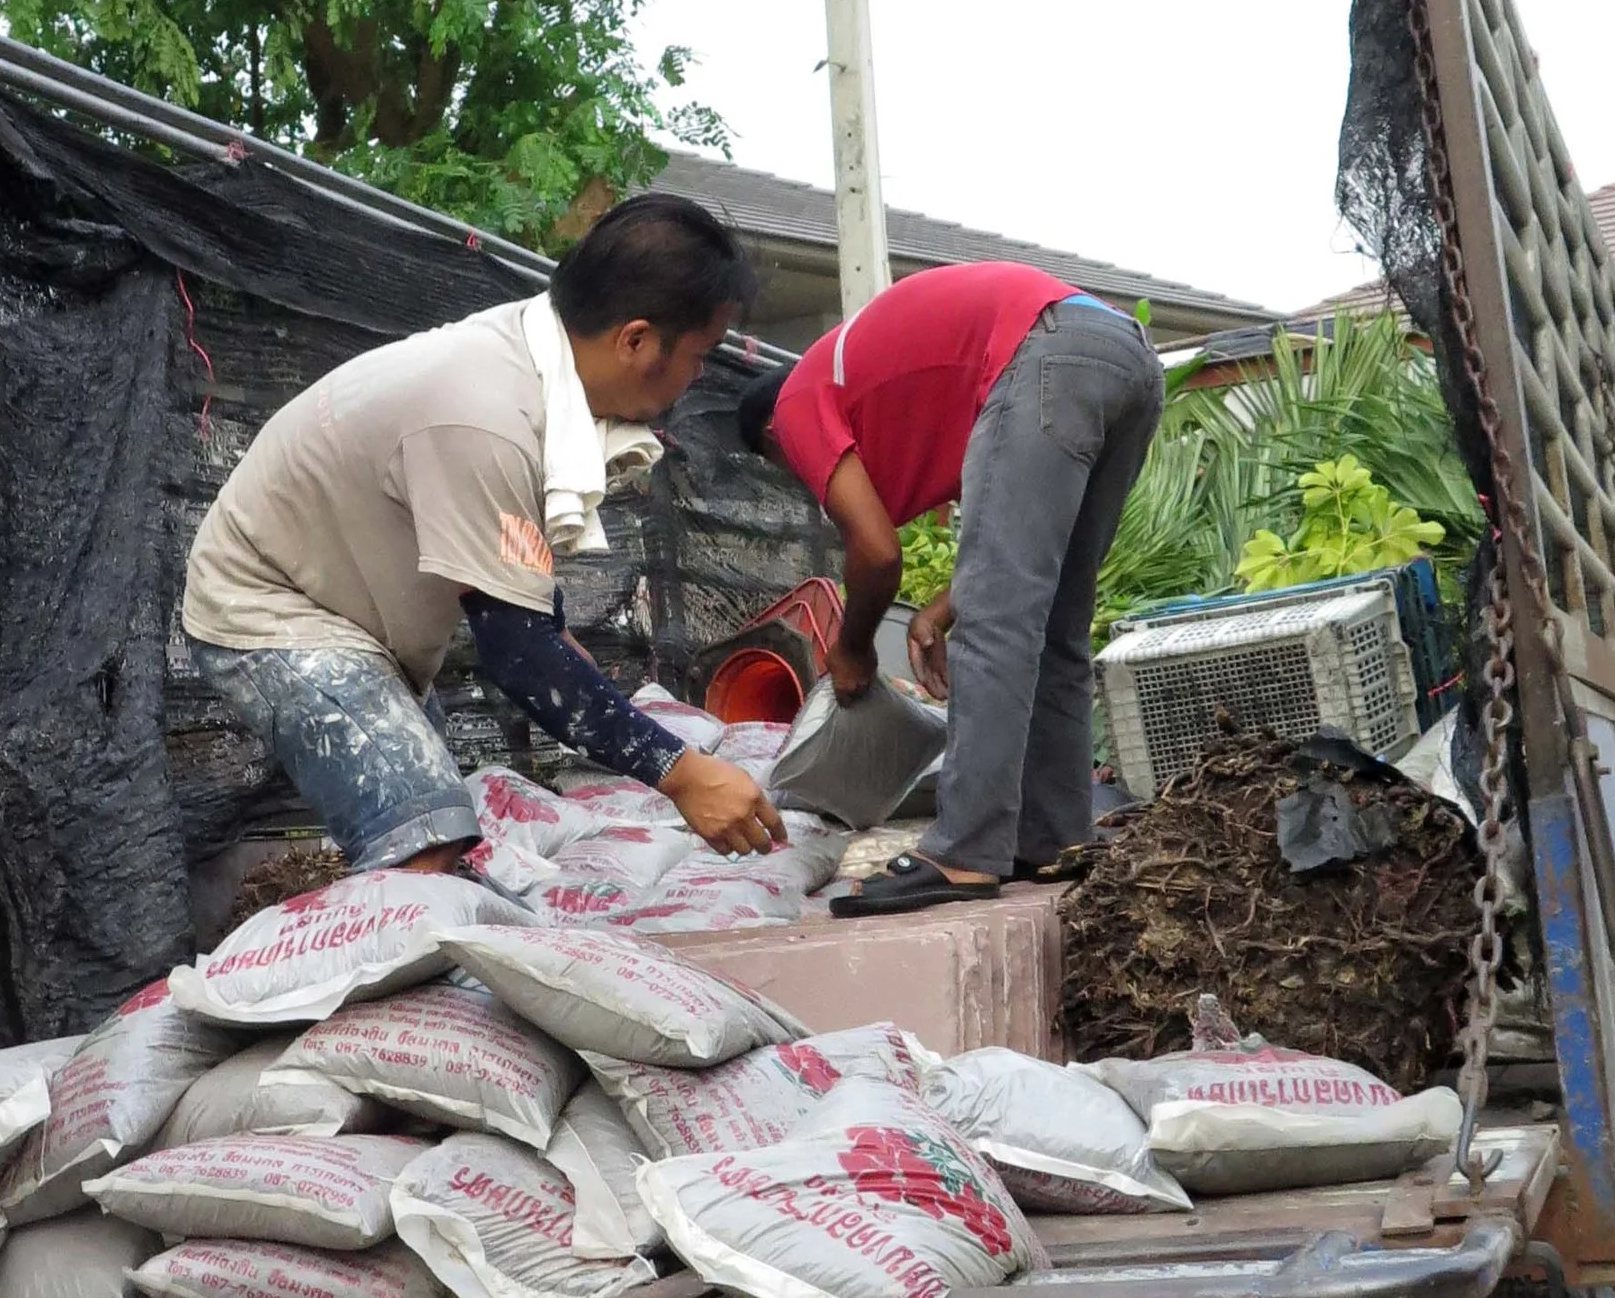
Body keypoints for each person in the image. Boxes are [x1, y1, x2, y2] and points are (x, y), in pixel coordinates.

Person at [181, 194, 787, 873]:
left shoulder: (535, 362)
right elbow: (521, 657)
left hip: (351, 610)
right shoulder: (485, 414)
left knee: (440, 834)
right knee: (424, 841)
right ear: (636, 341)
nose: (698, 377)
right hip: (271, 607)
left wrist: (623, 717)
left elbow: (534, 620)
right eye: (700, 356)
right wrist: (682, 773)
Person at [740, 260, 1162, 913]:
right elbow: (1018, 548)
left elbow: (877, 555)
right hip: (1123, 355)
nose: (807, 476)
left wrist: (853, 649)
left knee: (997, 629)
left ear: (772, 437)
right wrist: (940, 610)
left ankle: (964, 850)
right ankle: (1055, 839)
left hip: (1046, 345)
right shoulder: (909, 397)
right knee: (1056, 624)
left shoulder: (796, 406)